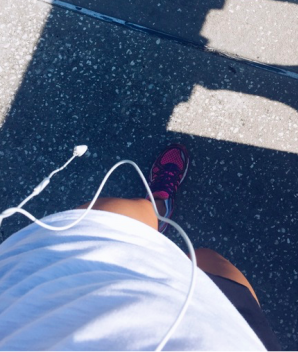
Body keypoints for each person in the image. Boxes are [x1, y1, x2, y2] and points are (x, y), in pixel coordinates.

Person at [0, 144, 280, 350]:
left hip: (42, 309)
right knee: (209, 261)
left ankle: (158, 209)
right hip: (227, 337)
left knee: (116, 212)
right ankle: (157, 210)